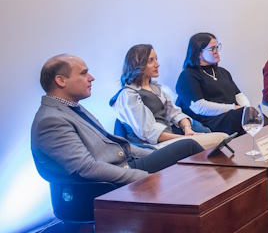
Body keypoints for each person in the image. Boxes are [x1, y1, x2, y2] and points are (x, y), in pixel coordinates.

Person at [31, 55, 203, 185]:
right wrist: (146, 178)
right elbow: (86, 168)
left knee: (186, 150)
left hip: (126, 164)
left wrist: (156, 155)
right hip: (111, 180)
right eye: (84, 73)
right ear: (60, 80)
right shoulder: (51, 120)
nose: (91, 78)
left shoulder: (71, 108)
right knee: (188, 147)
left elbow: (117, 146)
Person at [112, 44, 228, 149]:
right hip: (153, 148)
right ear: (138, 65)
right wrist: (183, 139)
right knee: (221, 138)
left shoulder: (157, 88)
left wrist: (187, 129)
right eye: (151, 60)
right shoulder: (128, 95)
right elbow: (149, 133)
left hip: (171, 140)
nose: (157, 64)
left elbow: (175, 113)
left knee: (220, 138)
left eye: (156, 59)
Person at [176, 33, 256, 135]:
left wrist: (248, 109)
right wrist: (233, 108)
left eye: (217, 47)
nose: (216, 52)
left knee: (256, 116)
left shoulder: (223, 72)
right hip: (210, 121)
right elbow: (199, 107)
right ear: (199, 53)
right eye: (212, 49)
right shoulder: (187, 76)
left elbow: (238, 95)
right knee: (242, 118)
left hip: (232, 116)